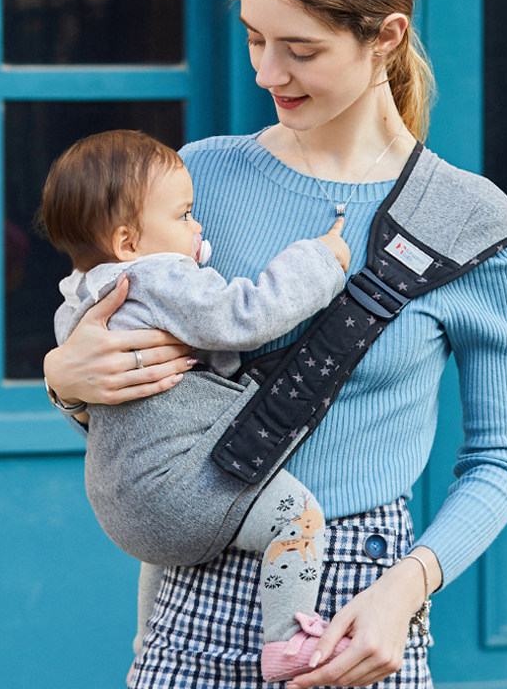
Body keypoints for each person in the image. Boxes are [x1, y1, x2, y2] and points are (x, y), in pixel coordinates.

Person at [43, 0, 507, 689]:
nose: (268, 72)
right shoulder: (195, 180)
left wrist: (405, 589)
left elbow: (498, 462)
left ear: (386, 39)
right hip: (191, 594)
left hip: (356, 610)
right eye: (254, 39)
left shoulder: (469, 222)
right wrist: (65, 383)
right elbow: (140, 387)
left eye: (299, 49)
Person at [42, 128, 357, 681]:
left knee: (162, 543)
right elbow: (245, 316)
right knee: (297, 518)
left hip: (120, 500)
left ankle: (147, 645)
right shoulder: (159, 276)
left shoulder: (78, 297)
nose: (198, 226)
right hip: (180, 487)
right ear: (127, 243)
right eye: (185, 215)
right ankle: (287, 642)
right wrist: (321, 260)